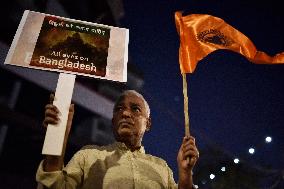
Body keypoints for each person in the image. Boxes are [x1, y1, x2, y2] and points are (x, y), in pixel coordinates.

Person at [36, 90, 199, 189]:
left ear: (148, 124)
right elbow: (53, 185)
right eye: (119, 109)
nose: (126, 113)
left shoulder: (162, 168)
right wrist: (56, 138)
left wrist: (185, 173)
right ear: (113, 120)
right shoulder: (88, 156)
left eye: (135, 109)